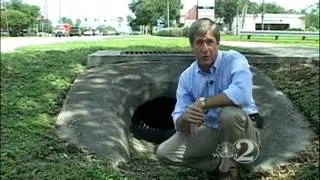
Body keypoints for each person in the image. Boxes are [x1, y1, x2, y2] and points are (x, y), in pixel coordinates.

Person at [156, 18, 261, 180]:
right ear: (192, 47)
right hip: (213, 131)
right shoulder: (187, 77)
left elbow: (242, 94)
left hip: (244, 134)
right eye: (199, 43)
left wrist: (203, 102)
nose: (205, 48)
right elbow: (179, 120)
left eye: (210, 42)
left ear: (218, 44)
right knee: (164, 153)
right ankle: (219, 163)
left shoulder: (234, 60)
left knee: (229, 115)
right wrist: (185, 117)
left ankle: (230, 169)